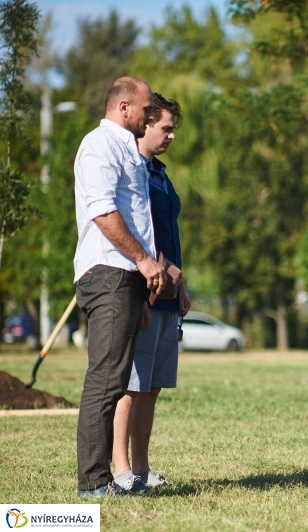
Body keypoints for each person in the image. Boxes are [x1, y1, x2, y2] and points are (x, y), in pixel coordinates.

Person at [73, 77, 166, 498]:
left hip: (123, 280)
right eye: (146, 110)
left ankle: (100, 479)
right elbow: (103, 212)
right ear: (124, 107)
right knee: (107, 380)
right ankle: (93, 483)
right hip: (108, 274)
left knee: (114, 377)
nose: (150, 117)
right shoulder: (100, 145)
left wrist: (137, 288)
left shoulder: (126, 147)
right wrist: (143, 261)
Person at [111, 93, 190, 493]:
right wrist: (142, 291)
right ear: (145, 125)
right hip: (143, 289)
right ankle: (120, 469)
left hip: (168, 294)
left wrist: (181, 284)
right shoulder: (134, 174)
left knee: (152, 386)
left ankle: (141, 469)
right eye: (166, 127)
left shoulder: (160, 173)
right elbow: (136, 236)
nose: (172, 135)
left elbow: (168, 237)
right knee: (131, 385)